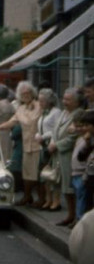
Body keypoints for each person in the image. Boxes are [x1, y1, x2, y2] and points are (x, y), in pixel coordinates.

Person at [0, 81, 42, 208]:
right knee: (27, 174)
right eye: (23, 94)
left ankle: (40, 199)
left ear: (32, 92)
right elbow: (11, 122)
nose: (26, 95)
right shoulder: (20, 109)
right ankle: (28, 196)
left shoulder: (39, 106)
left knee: (38, 175)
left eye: (28, 92)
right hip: (26, 145)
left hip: (38, 145)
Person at [51, 88, 83, 226]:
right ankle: (70, 215)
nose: (65, 102)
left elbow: (73, 137)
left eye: (68, 100)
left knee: (72, 187)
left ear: (76, 101)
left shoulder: (79, 114)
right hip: (59, 155)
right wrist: (53, 141)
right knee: (64, 186)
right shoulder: (63, 113)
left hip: (70, 155)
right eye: (64, 99)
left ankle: (76, 216)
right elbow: (55, 130)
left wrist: (57, 145)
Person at [37, 88, 63, 211]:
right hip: (43, 146)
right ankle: (48, 200)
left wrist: (43, 136)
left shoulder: (56, 112)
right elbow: (41, 127)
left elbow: (56, 130)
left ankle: (56, 201)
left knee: (54, 175)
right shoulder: (44, 112)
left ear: (49, 101)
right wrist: (38, 135)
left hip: (51, 145)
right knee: (45, 175)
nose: (40, 103)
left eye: (42, 100)